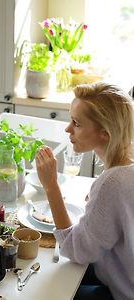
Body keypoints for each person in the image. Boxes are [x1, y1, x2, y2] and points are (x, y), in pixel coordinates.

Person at [35, 82, 134, 300]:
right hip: (116, 270)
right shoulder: (125, 166)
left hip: (123, 292)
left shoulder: (114, 182)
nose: (68, 129)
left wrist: (51, 186)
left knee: (45, 291)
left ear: (105, 134)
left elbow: (74, 250)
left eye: (77, 123)